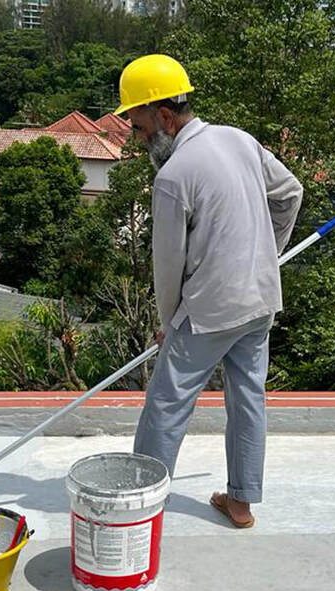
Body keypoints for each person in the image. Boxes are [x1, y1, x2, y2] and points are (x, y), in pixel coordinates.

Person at [117, 54, 303, 529]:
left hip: (209, 312)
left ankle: (141, 505)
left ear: (163, 115)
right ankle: (240, 504)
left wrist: (168, 324)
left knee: (166, 403)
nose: (138, 141)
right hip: (260, 299)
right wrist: (266, 253)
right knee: (248, 397)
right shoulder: (238, 140)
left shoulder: (173, 176)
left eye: (138, 127)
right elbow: (291, 193)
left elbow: (168, 267)